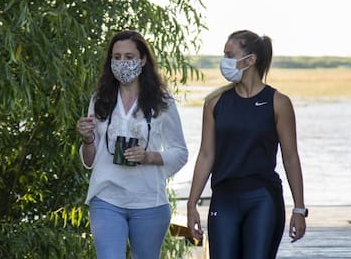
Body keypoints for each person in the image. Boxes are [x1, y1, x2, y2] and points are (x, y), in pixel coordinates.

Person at [187, 30, 306, 258]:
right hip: (224, 198)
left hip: (263, 199)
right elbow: (205, 155)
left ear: (250, 60)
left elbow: (291, 157)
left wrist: (299, 208)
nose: (224, 61)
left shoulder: (278, 103)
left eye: (230, 54)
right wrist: (192, 204)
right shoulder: (214, 103)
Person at [76, 30, 188, 259]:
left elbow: (180, 153)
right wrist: (87, 138)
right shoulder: (100, 99)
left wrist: (149, 157)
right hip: (106, 198)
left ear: (143, 60)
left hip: (149, 201)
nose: (122, 63)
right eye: (116, 58)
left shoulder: (162, 102)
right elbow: (89, 161)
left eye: (129, 57)